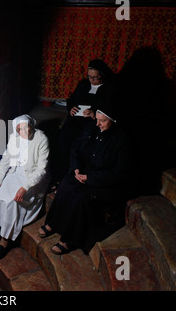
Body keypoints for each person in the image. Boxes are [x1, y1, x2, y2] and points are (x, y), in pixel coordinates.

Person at [38, 106, 135, 255]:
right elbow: (76, 147)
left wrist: (90, 178)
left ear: (113, 121)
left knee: (80, 197)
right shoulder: (92, 127)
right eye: (97, 119)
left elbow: (119, 174)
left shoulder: (122, 140)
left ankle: (69, 239)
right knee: (65, 185)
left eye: (102, 121)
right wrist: (76, 167)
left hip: (105, 184)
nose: (98, 124)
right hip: (84, 172)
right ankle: (54, 223)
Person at [0, 114, 50, 261]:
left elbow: (41, 169)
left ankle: (4, 241)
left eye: (26, 127)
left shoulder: (41, 139)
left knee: (12, 202)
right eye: (20, 130)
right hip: (15, 173)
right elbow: (5, 161)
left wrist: (25, 187)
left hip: (31, 178)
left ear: (31, 125)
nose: (24, 132)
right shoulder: (14, 139)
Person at [56, 59, 116, 184]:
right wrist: (71, 108)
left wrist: (94, 112)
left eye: (95, 78)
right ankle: (62, 175)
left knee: (82, 142)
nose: (91, 80)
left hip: (93, 122)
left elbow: (110, 108)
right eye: (89, 77)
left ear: (102, 76)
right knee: (63, 138)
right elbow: (71, 99)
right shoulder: (83, 84)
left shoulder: (110, 88)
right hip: (75, 119)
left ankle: (77, 175)